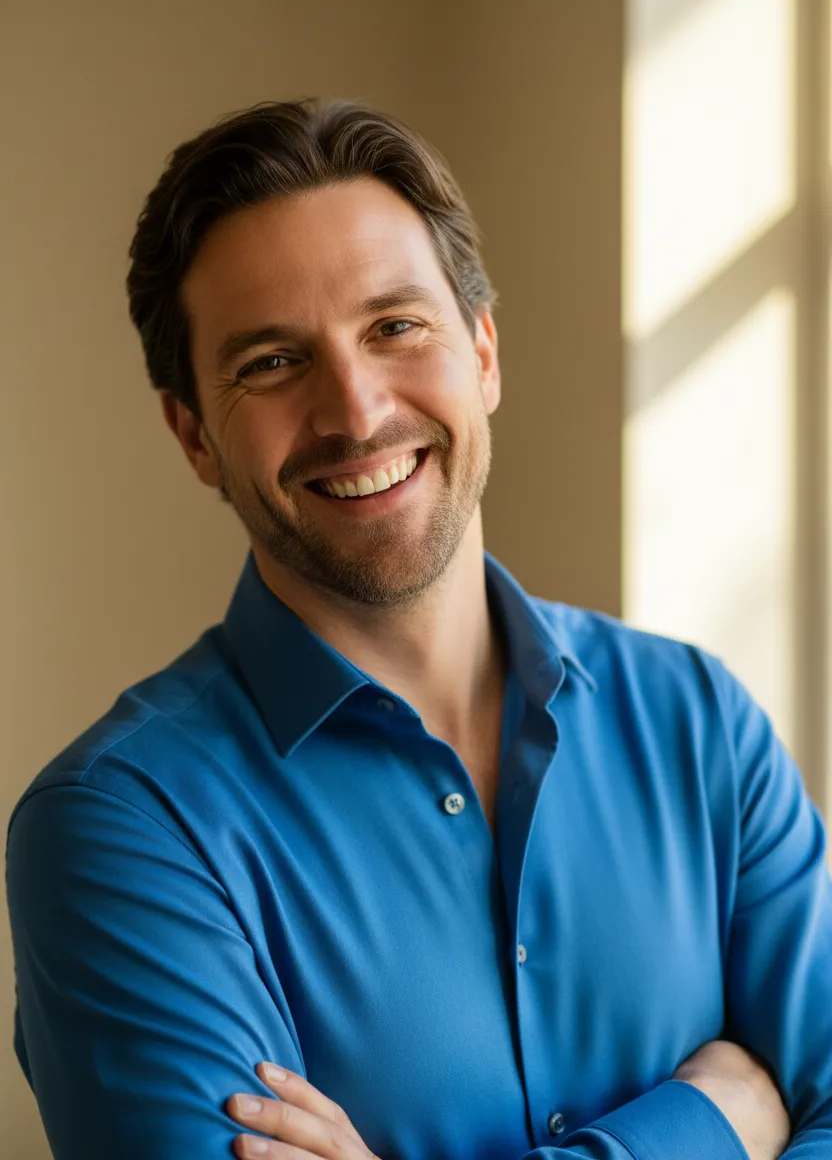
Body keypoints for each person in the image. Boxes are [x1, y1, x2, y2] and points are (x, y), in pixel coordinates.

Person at [5, 98, 825, 1160]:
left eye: (395, 326)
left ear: (482, 351)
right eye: (272, 362)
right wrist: (714, 1119)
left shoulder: (699, 723)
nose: (354, 411)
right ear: (194, 435)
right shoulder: (122, 828)